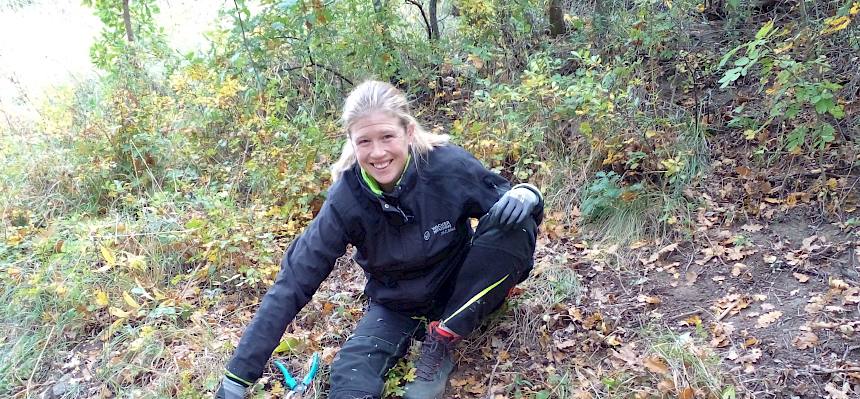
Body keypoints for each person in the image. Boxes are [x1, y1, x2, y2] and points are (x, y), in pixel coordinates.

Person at [215, 80, 543, 399]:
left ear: (408, 132)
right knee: (351, 378)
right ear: (351, 142)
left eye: (387, 136)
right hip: (395, 303)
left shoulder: (446, 166)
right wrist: (237, 376)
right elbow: (294, 281)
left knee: (513, 221)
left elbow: (505, 198)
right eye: (365, 141)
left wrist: (528, 195)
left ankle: (443, 338)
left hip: (462, 289)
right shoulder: (346, 200)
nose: (378, 153)